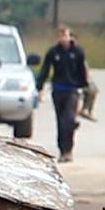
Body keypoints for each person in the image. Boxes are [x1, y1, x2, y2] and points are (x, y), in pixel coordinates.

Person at [37, 26, 90, 163]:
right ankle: (62, 151)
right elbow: (45, 70)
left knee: (68, 120)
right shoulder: (53, 52)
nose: (62, 39)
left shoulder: (78, 52)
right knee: (61, 122)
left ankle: (69, 150)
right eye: (60, 36)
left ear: (70, 36)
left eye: (65, 35)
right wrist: (40, 88)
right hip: (58, 90)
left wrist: (84, 87)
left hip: (72, 90)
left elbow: (83, 70)